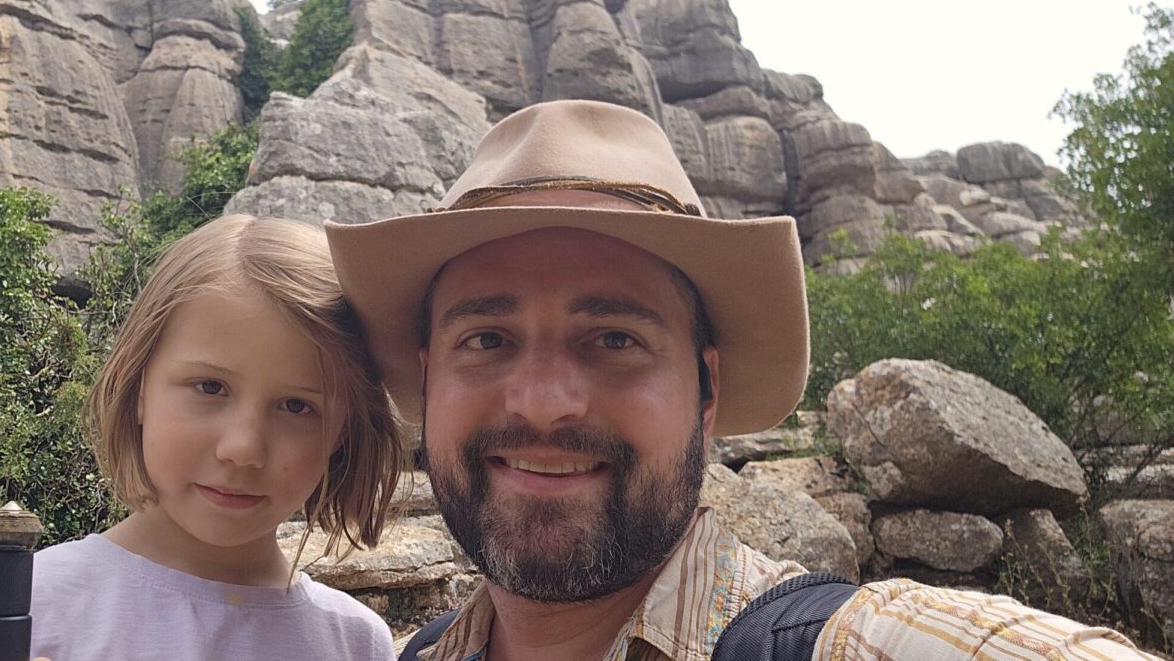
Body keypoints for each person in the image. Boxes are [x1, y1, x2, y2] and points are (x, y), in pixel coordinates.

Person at [324, 99, 1159, 661]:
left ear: (707, 390)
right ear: (428, 380)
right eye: (486, 337)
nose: (543, 400)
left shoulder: (855, 639)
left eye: (614, 337)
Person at [0, 214, 406, 661]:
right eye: (210, 387)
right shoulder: (25, 613)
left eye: (298, 406)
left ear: (344, 430)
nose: (243, 448)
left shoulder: (356, 642)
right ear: (138, 389)